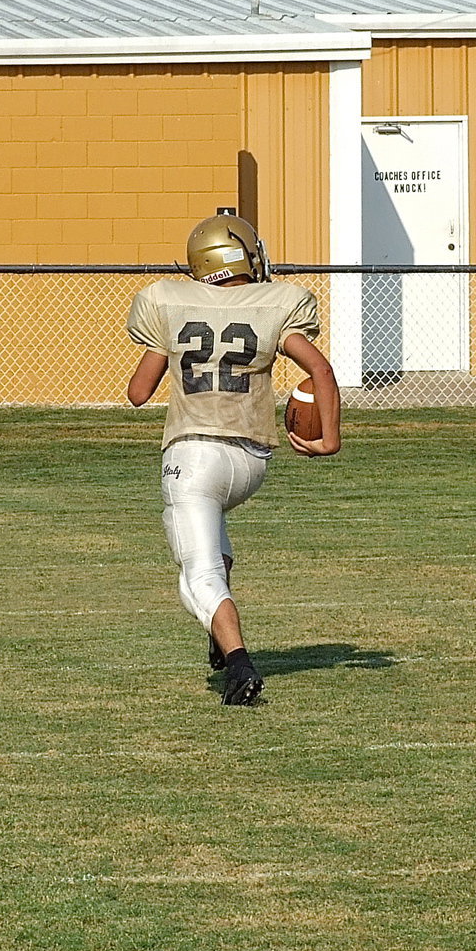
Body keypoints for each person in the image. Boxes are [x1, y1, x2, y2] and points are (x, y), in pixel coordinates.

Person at [126, 212, 341, 705]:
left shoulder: (169, 302)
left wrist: (168, 349)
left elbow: (138, 393)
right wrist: (329, 439)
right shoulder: (274, 303)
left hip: (193, 459)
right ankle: (220, 638)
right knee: (215, 540)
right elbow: (321, 370)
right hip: (251, 462)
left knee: (197, 575)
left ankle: (240, 664)